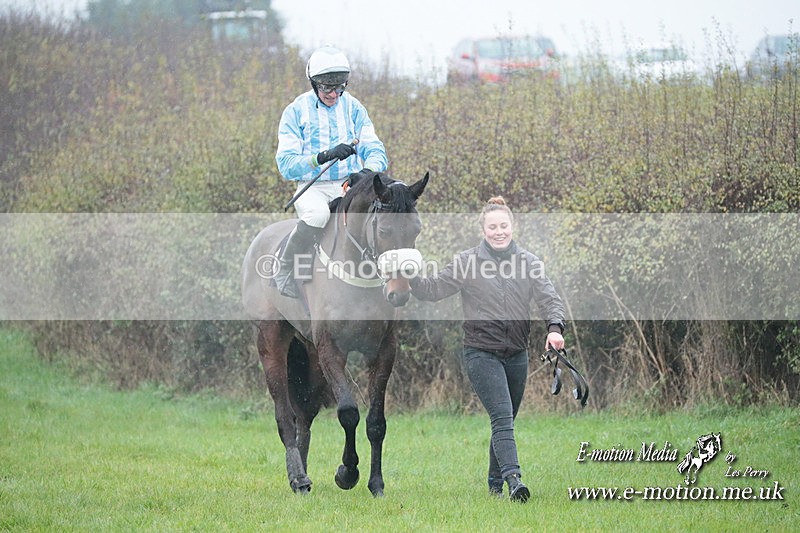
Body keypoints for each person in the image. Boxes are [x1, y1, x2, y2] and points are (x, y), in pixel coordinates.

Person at [409, 197, 566, 502]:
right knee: (503, 416)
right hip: (481, 353)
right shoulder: (467, 262)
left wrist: (555, 329)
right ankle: (514, 480)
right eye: (492, 226)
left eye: (503, 226)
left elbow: (550, 299)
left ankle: (495, 482)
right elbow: (432, 289)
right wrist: (408, 272)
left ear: (512, 226)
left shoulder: (529, 263)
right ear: (483, 229)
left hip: (517, 354)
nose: (498, 231)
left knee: (505, 420)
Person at [274, 45, 388, 298]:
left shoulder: (355, 108)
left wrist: (367, 171)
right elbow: (286, 164)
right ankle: (284, 267)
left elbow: (376, 149)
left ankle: (394, 275)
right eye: (327, 87)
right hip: (313, 187)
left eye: (339, 87)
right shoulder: (295, 111)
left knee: (384, 214)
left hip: (350, 184)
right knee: (317, 216)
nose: (334, 93)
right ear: (314, 84)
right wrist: (322, 156)